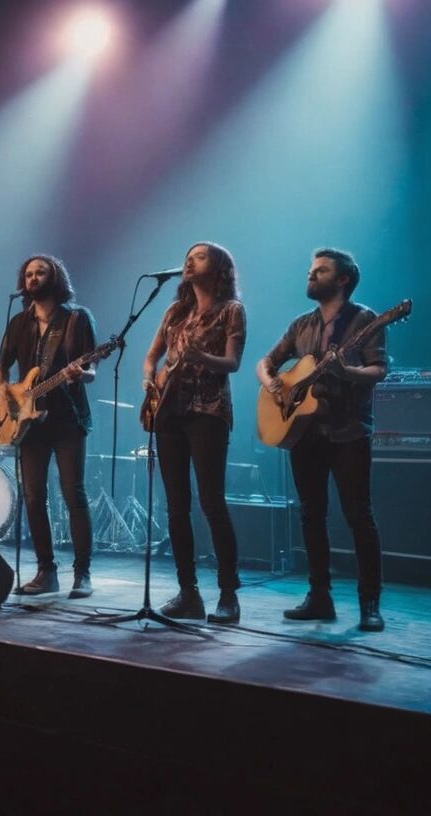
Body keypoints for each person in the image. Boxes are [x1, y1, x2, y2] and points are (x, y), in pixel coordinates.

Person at [256, 248, 386, 632]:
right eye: (311, 270)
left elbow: (378, 369)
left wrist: (348, 372)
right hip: (305, 434)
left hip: (348, 432)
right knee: (311, 515)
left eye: (321, 271)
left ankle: (369, 603)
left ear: (342, 279)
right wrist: (275, 385)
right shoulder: (301, 325)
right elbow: (265, 363)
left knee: (358, 515)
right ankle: (319, 597)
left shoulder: (366, 320)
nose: (311, 276)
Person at [142, 243, 246, 624]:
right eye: (188, 255)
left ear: (218, 267)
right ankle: (189, 593)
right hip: (169, 412)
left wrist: (200, 358)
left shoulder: (231, 310)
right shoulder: (175, 311)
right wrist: (148, 376)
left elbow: (232, 363)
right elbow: (152, 355)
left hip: (208, 412)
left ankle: (228, 594)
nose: (189, 260)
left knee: (212, 502)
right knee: (176, 506)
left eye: (199, 256)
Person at [0, 255, 97, 598]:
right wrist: (5, 394)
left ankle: (82, 573)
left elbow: (92, 366)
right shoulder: (19, 322)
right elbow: (0, 367)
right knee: (34, 497)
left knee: (73, 495)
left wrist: (81, 375)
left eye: (40, 272)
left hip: (67, 419)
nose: (33, 277)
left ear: (55, 278)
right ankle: (46, 572)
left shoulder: (76, 319)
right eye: (28, 273)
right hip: (28, 423)